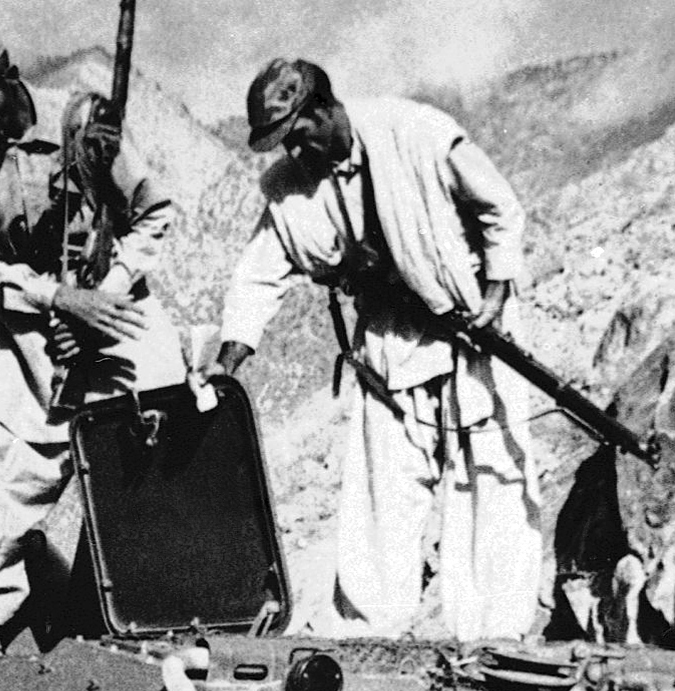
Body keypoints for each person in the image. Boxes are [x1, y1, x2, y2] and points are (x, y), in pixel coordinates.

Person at [212, 58, 553, 641]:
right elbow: (258, 276)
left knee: (487, 480)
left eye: (298, 134)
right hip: (391, 341)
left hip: (471, 328)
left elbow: (499, 207)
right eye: (283, 143)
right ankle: (369, 634)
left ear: (323, 109)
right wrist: (227, 363)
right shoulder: (293, 188)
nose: (294, 151)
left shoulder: (415, 132)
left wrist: (497, 292)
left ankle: (494, 636)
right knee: (383, 491)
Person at [0, 24, 180, 639]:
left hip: (112, 305)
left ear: (10, 80)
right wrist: (58, 301)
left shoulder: (83, 122)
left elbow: (152, 213)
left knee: (159, 433)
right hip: (22, 319)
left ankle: (151, 612)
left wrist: (102, 297)